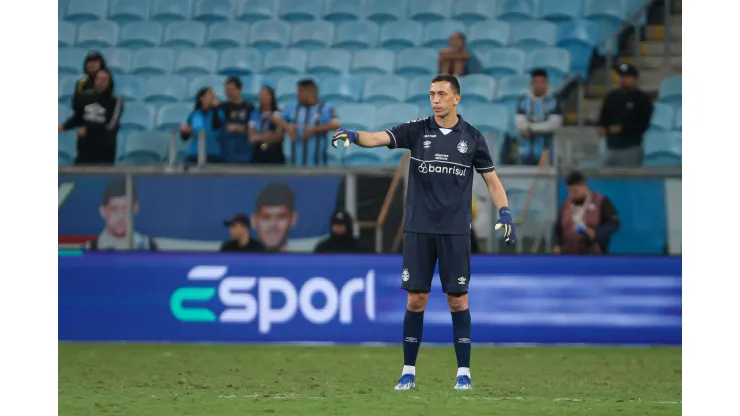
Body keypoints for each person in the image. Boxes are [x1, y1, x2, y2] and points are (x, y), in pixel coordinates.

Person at [331, 73, 516, 391]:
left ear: (456, 98)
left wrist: (505, 212)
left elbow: (493, 181)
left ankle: (464, 374)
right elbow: (378, 138)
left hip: (455, 232)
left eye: (442, 94)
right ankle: (408, 372)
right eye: (432, 93)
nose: (435, 99)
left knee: (458, 301)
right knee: (417, 299)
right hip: (418, 229)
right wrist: (353, 134)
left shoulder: (472, 137)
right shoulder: (416, 130)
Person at [59, 69, 124, 165]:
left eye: (104, 80)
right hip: (84, 149)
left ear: (109, 82)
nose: (100, 82)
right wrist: (64, 127)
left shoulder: (116, 101)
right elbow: (78, 117)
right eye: (98, 79)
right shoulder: (85, 96)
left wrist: (89, 129)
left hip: (104, 150)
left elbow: (111, 125)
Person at [272, 79, 340, 166]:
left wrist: (313, 129)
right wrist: (287, 127)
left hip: (317, 166)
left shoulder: (325, 108)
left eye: (300, 92)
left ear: (311, 92)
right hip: (295, 165)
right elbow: (275, 116)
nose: (298, 96)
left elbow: (336, 124)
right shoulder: (293, 107)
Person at [597, 63, 654, 167]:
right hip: (611, 147)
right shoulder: (611, 97)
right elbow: (603, 117)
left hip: (630, 147)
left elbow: (643, 124)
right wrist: (601, 127)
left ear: (634, 78)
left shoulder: (642, 99)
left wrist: (623, 128)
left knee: (628, 179)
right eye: (621, 76)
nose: (623, 80)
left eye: (627, 77)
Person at [553, 171, 620, 255]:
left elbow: (613, 223)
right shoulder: (566, 205)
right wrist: (558, 245)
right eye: (569, 191)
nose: (571, 194)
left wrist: (596, 234)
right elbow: (558, 228)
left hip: (594, 256)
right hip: (568, 256)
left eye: (574, 190)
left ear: (584, 186)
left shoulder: (601, 202)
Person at [85, 179, 157, 251]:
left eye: (126, 209)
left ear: (135, 208)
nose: (121, 215)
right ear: (103, 211)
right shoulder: (89, 249)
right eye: (114, 209)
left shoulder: (149, 247)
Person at [513, 68, 564, 165]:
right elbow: (519, 123)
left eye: (542, 82)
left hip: (548, 152)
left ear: (547, 83)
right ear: (532, 83)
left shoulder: (554, 100)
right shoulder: (524, 100)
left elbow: (554, 124)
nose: (539, 85)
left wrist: (531, 128)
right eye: (536, 82)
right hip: (526, 151)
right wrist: (541, 126)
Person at [180, 87, 226, 164]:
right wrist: (185, 131)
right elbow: (186, 137)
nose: (213, 97)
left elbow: (216, 126)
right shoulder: (194, 115)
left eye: (214, 96)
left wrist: (215, 108)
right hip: (194, 153)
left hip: (213, 153)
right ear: (202, 98)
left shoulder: (219, 113)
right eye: (210, 95)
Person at [251, 183, 298, 252]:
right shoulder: (238, 257)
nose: (273, 225)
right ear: (254, 220)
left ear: (293, 219)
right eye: (266, 217)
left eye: (281, 217)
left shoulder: (305, 259)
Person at [219, 77, 255, 163]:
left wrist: (240, 128)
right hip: (225, 152)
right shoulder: (222, 108)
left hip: (245, 152)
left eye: (231, 89)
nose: (228, 93)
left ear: (240, 89)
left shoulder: (249, 108)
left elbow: (255, 128)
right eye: (227, 90)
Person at [249, 86, 286, 164]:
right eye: (261, 94)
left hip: (275, 154)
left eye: (265, 94)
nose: (263, 97)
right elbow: (251, 138)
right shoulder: (254, 114)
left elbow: (279, 136)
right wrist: (268, 136)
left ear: (271, 96)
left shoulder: (278, 114)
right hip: (258, 154)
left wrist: (259, 136)